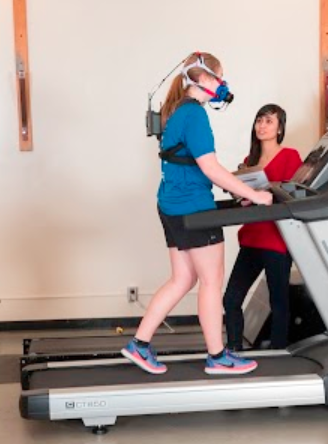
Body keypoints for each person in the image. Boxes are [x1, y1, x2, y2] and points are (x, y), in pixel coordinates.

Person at [121, 52, 273, 375]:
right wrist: (255, 195)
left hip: (171, 205)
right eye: (220, 77)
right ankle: (218, 356)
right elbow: (210, 167)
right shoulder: (195, 115)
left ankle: (139, 344)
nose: (223, 84)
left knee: (183, 278)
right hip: (193, 207)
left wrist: (238, 193)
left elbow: (194, 166)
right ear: (203, 79)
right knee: (211, 280)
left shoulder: (176, 112)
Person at [223, 104, 302, 351]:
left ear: (280, 128)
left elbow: (294, 195)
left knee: (278, 302)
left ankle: (279, 354)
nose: (262, 125)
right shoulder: (249, 161)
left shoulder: (290, 156)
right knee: (231, 299)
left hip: (276, 240)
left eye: (269, 121)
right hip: (251, 239)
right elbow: (247, 200)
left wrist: (269, 190)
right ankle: (234, 349)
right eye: (259, 120)